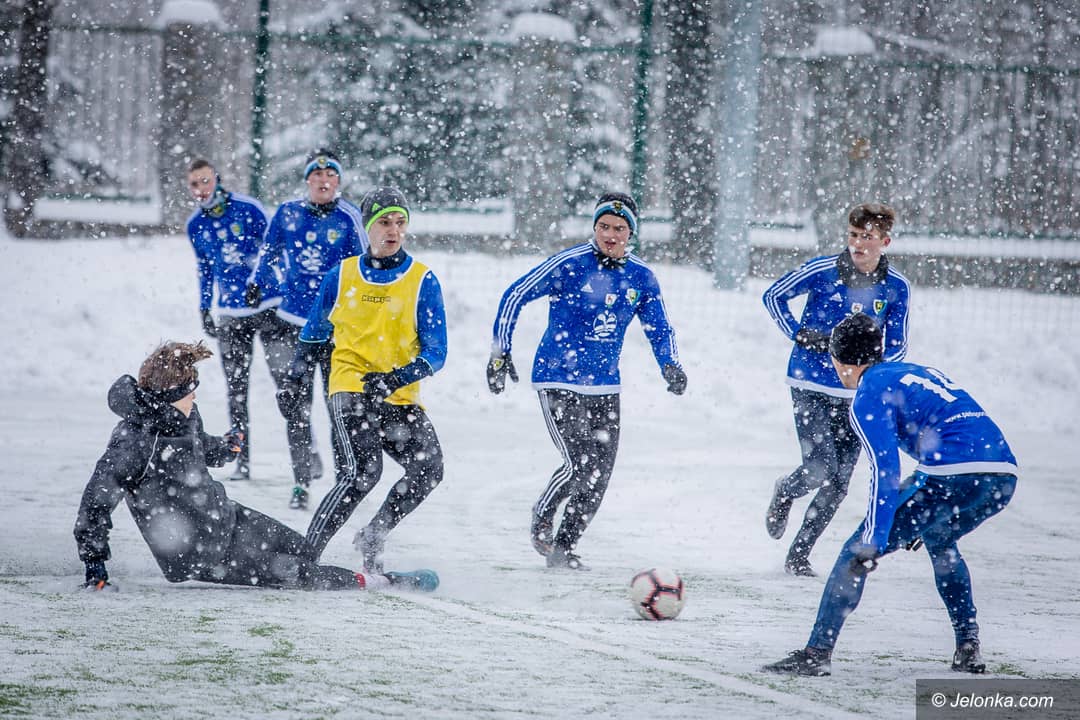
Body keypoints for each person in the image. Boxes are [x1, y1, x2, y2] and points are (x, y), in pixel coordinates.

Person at [762, 313, 1018, 676]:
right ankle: (967, 644)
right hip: (1002, 476)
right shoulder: (912, 371)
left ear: (839, 360)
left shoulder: (867, 394)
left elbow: (886, 472)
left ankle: (817, 652)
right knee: (940, 539)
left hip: (950, 473)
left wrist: (874, 539)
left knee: (853, 552)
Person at [73, 341, 438, 593]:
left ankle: (359, 577)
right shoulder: (133, 444)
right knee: (300, 574)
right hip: (199, 552)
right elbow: (94, 506)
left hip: (226, 517)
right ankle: (384, 583)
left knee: (302, 551)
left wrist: (225, 447)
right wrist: (95, 567)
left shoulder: (184, 414)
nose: (195, 394)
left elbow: (199, 450)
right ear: (168, 396)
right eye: (189, 388)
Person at [487, 192, 687, 571]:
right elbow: (515, 294)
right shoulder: (569, 264)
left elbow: (660, 328)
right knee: (581, 464)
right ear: (594, 228)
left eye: (619, 228)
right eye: (604, 227)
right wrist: (501, 353)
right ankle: (543, 513)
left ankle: (564, 548)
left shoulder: (642, 277)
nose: (610, 235)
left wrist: (670, 365)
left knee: (600, 474)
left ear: (632, 233)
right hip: (557, 377)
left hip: (605, 386)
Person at [286, 187, 447, 574]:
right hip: (351, 387)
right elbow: (312, 335)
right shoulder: (341, 275)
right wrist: (293, 380)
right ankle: (304, 557)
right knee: (362, 473)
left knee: (429, 469)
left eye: (400, 222)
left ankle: (375, 533)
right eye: (384, 222)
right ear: (367, 227)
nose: (394, 230)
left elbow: (436, 351)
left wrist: (397, 378)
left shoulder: (423, 280)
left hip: (397, 394)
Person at [762, 202, 910, 576]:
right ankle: (785, 490)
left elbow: (898, 345)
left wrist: (874, 366)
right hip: (809, 384)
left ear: (885, 242)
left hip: (856, 394)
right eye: (853, 235)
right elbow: (773, 296)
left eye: (868, 237)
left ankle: (799, 556)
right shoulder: (823, 271)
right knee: (818, 468)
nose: (858, 244)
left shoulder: (896, 287)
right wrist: (799, 334)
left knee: (839, 482)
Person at [246, 148, 368, 509]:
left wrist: (361, 309)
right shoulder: (288, 213)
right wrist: (259, 282)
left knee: (337, 408)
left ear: (338, 182)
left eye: (330, 176)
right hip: (293, 328)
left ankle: (344, 479)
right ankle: (300, 483)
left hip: (333, 331)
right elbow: (269, 252)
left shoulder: (349, 217)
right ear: (307, 180)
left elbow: (364, 265)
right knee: (296, 407)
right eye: (317, 175)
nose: (323, 181)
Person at [185, 157, 294, 482]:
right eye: (194, 184)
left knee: (287, 385)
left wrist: (264, 283)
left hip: (268, 308)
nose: (201, 189)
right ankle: (240, 459)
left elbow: (274, 249)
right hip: (231, 315)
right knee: (236, 391)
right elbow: (205, 268)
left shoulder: (248, 209)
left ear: (217, 179)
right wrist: (205, 307)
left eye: (206, 181)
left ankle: (305, 456)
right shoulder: (196, 225)